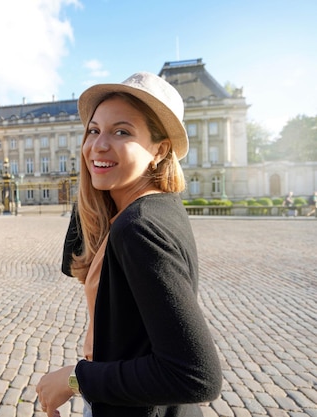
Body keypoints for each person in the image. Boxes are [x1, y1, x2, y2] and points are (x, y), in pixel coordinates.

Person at [36, 72, 222, 417]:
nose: (98, 145)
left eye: (122, 131)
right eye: (93, 131)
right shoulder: (155, 206)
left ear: (160, 149)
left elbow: (196, 376)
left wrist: (76, 378)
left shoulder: (137, 227)